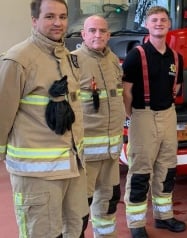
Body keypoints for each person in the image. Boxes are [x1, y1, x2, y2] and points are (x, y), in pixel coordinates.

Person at [0, 0, 88, 237]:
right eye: (49, 17)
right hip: (37, 176)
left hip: (73, 168)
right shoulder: (18, 60)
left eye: (62, 16)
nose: (58, 23)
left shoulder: (68, 57)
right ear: (34, 20)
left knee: (76, 227)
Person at [122, 6, 185, 238]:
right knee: (140, 172)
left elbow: (175, 89)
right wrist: (134, 118)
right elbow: (126, 93)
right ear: (147, 25)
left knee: (167, 168)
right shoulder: (135, 56)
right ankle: (136, 224)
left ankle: (164, 216)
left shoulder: (177, 58)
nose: (159, 23)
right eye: (155, 20)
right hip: (142, 115)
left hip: (168, 115)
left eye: (163, 20)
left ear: (169, 25)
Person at [72, 15, 125, 237]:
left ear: (108, 35)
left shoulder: (112, 60)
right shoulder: (72, 62)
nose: (97, 35)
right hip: (86, 157)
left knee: (108, 203)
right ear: (83, 34)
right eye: (92, 31)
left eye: (102, 31)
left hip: (111, 155)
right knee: (78, 210)